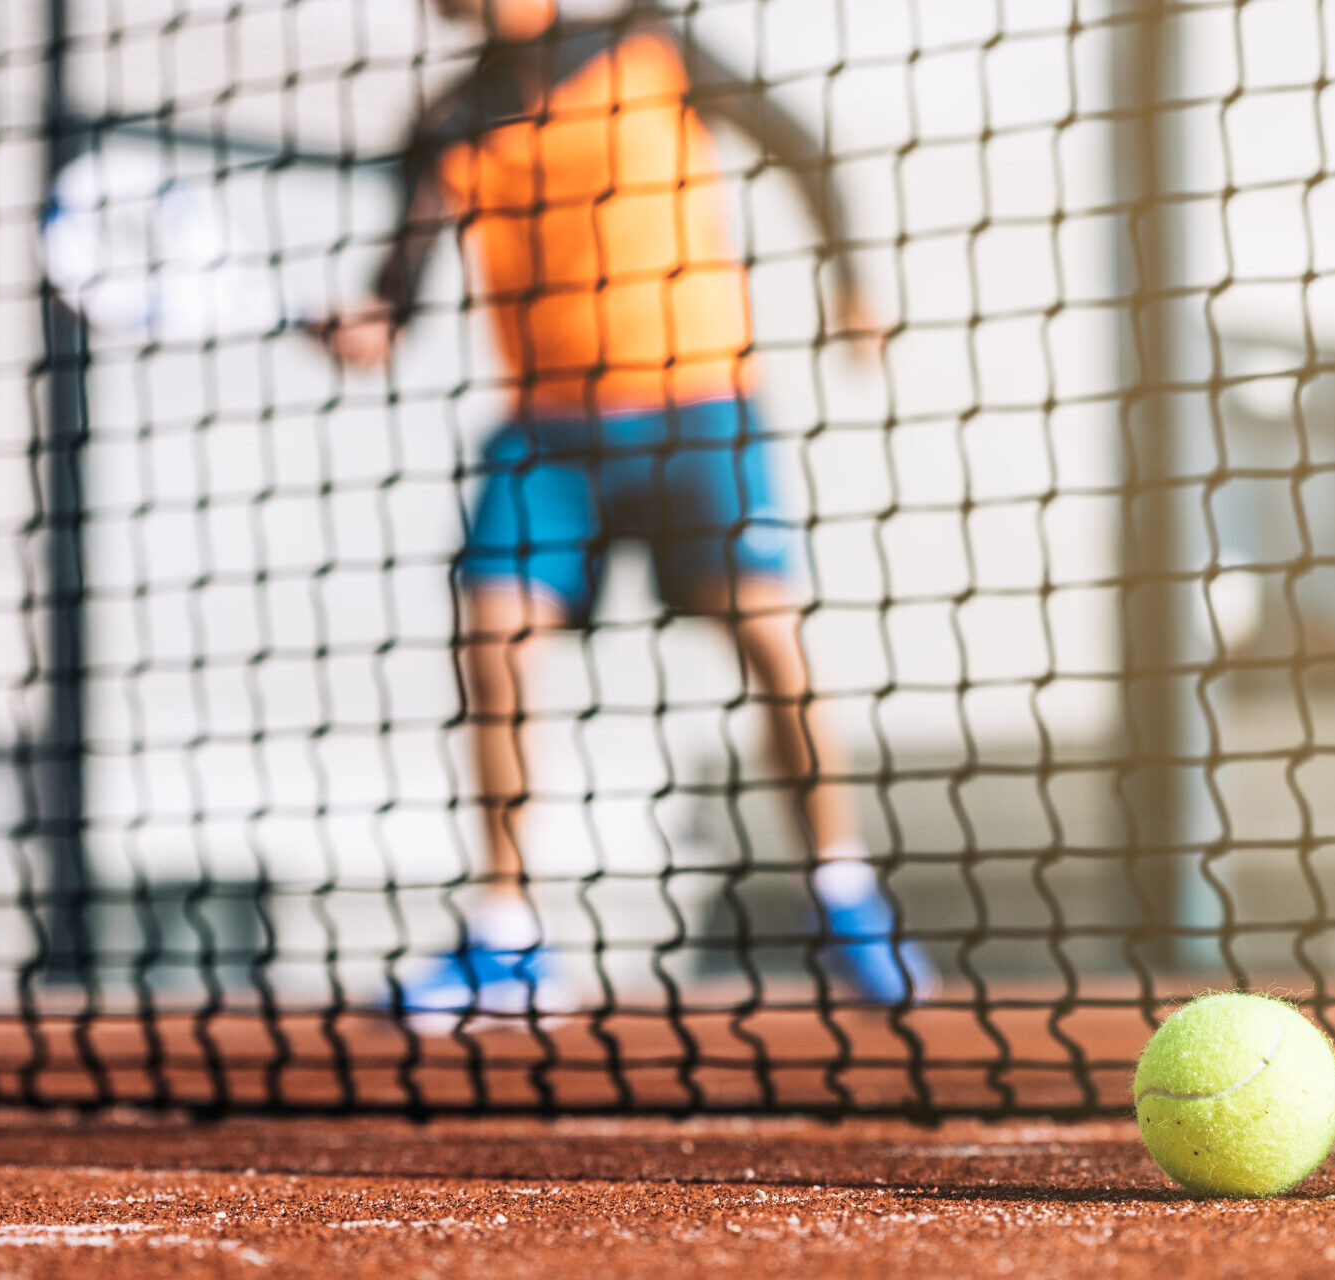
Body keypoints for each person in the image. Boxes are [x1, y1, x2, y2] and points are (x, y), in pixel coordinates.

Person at [323, 0, 935, 1019]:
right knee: (493, 636)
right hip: (548, 433)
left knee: (773, 640)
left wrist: (853, 282)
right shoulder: (447, 118)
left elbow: (800, 147)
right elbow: (400, 288)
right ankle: (508, 939)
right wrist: (366, 322)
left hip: (699, 410)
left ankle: (844, 898)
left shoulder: (659, 44)